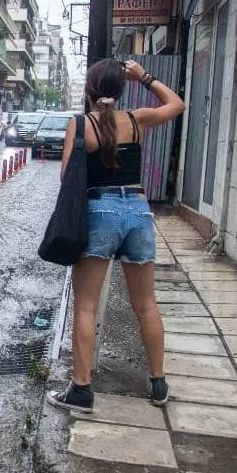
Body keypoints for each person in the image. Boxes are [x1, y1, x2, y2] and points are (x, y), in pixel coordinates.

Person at [46, 59, 185, 413]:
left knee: (86, 305)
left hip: (100, 212)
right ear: (121, 89)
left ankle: (81, 389)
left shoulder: (80, 125)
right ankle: (158, 384)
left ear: (89, 90)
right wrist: (145, 77)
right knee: (146, 305)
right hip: (138, 211)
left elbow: (67, 176)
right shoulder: (137, 120)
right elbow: (176, 104)